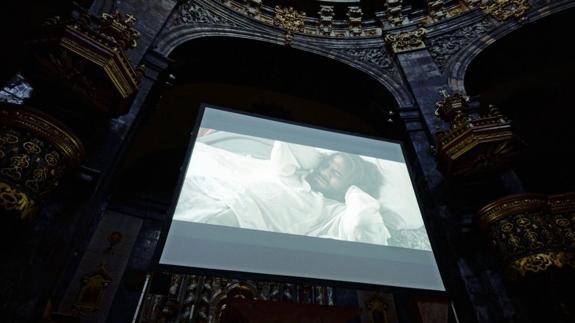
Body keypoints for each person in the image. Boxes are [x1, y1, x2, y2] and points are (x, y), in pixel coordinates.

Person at [174, 139, 391, 245]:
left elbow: (363, 225)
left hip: (238, 223)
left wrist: (354, 191)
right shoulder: (296, 172)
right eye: (327, 165)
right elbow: (287, 145)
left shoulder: (334, 212)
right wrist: (320, 160)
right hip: (218, 192)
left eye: (336, 174)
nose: (325, 172)